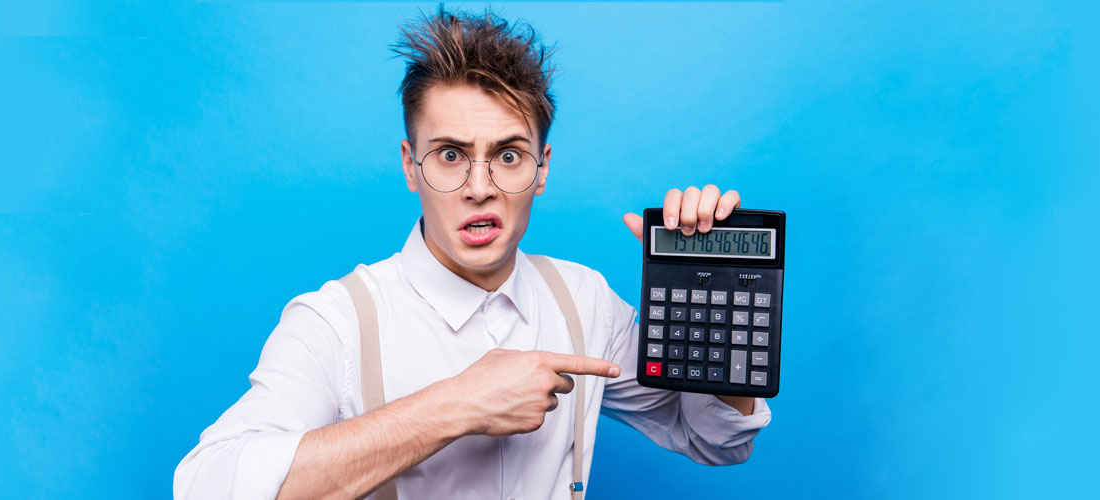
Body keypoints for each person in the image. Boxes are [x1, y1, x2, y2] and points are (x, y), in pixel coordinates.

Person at [175, 7, 772, 500]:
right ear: (411, 165)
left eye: (508, 155)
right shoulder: (335, 322)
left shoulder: (583, 301)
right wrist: (454, 405)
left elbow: (718, 441)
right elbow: (205, 486)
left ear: (542, 169)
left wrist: (713, 291)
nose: (479, 185)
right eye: (451, 155)